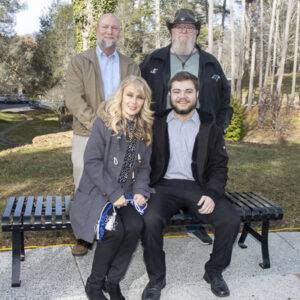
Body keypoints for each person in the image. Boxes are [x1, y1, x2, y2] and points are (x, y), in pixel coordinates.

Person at [141, 72, 240, 299]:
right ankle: (156, 278)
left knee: (230, 219)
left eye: (188, 91)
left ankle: (214, 271)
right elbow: (143, 160)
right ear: (169, 95)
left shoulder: (209, 124)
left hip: (199, 187)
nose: (182, 96)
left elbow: (219, 165)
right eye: (176, 91)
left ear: (197, 94)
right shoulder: (156, 123)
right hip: (163, 186)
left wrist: (213, 194)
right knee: (149, 220)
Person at [70, 75, 153, 300]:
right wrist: (114, 193)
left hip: (126, 195)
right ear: (121, 95)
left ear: (144, 102)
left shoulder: (144, 129)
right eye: (130, 95)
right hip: (98, 193)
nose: (134, 101)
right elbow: (92, 161)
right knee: (114, 230)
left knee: (135, 225)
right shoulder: (104, 123)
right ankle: (94, 284)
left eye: (140, 97)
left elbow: (145, 167)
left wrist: (140, 191)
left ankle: (112, 281)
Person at [65, 13, 140, 256]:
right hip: (87, 131)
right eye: (105, 27)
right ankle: (83, 237)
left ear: (119, 33)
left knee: (119, 179)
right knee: (84, 180)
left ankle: (111, 230)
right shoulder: (80, 62)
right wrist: (99, 125)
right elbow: (73, 99)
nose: (110, 31)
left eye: (114, 28)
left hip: (123, 133)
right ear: (97, 30)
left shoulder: (130, 65)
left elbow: (136, 96)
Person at [140, 8, 232, 133]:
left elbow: (225, 99)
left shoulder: (211, 63)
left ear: (196, 32)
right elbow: (138, 93)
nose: (184, 31)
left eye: (189, 27)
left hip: (201, 135)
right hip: (160, 135)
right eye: (178, 27)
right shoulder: (153, 60)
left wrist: (219, 128)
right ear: (171, 31)